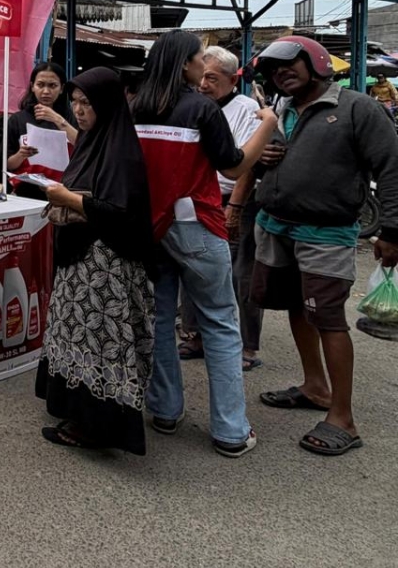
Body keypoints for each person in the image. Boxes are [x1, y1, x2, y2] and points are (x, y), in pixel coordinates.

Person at [132, 30, 277, 458]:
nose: (202, 66)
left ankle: (164, 409)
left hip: (150, 229)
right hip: (196, 227)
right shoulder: (202, 108)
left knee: (160, 319)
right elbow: (233, 169)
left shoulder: (134, 108)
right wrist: (266, 126)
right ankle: (231, 431)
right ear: (183, 65)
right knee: (219, 322)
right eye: (198, 58)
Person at [251, 36, 398, 456]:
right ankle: (315, 386)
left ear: (316, 62)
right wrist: (265, 160)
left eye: (288, 65)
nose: (281, 73)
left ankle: (343, 418)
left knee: (329, 318)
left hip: (326, 234)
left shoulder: (356, 108)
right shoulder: (283, 109)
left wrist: (391, 230)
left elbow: (391, 167)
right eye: (274, 70)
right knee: (298, 307)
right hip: (277, 226)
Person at [35, 67, 155, 454]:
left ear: (106, 104)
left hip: (104, 269)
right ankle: (78, 414)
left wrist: (65, 198)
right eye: (76, 102)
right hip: (79, 261)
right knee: (74, 339)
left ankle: (98, 429)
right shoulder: (93, 142)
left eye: (87, 103)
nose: (79, 110)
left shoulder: (121, 150)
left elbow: (119, 211)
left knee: (100, 345)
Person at [178, 46, 266, 371]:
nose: (203, 83)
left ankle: (247, 347)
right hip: (199, 199)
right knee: (194, 266)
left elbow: (245, 164)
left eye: (212, 78)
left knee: (241, 273)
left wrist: (236, 208)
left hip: (233, 199)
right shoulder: (195, 105)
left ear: (232, 79)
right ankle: (195, 335)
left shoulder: (246, 108)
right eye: (201, 76)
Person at [5, 62, 78, 200]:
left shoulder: (72, 118)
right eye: (40, 85)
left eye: (52, 86)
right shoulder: (17, 120)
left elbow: (85, 145)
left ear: (61, 88)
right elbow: (9, 164)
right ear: (32, 86)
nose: (46, 91)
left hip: (64, 190)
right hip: (26, 191)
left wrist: (57, 119)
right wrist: (21, 155)